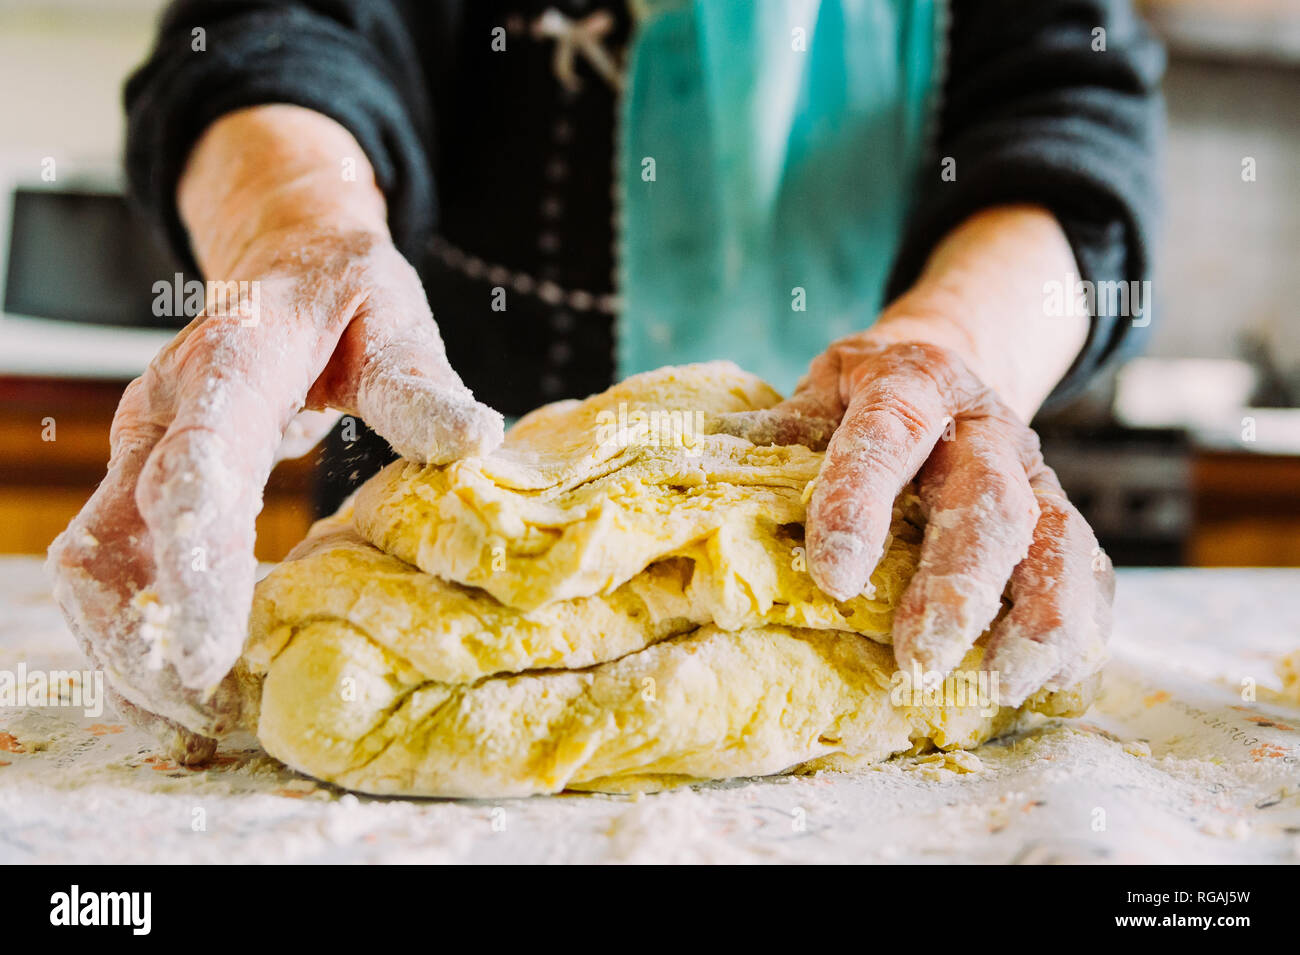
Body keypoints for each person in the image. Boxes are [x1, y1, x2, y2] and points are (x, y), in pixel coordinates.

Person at [48, 0, 1163, 761]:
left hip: (883, 499)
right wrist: (299, 229)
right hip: (429, 514)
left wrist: (949, 347)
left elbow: (1071, 113)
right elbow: (272, 30)